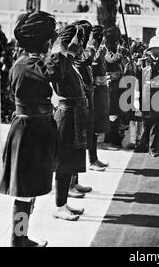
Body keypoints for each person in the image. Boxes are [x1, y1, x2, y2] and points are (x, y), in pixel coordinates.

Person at [0, 11, 57, 247]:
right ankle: (18, 239)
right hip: (28, 133)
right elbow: (54, 73)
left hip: (35, 131)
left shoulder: (30, 63)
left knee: (29, 190)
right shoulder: (27, 65)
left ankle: (21, 237)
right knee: (24, 194)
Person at [51, 24, 89, 221]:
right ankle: (58, 206)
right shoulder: (60, 58)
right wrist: (70, 54)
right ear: (70, 41)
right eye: (78, 41)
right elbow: (59, 79)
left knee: (70, 162)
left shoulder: (69, 60)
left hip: (75, 116)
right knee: (64, 164)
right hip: (67, 116)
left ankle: (63, 203)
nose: (81, 45)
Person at [69, 20, 95, 197]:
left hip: (81, 106)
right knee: (70, 149)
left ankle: (74, 181)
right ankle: (68, 186)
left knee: (78, 147)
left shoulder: (75, 57)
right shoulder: (70, 58)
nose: (83, 41)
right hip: (71, 110)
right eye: (82, 37)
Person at [135, 36, 159, 157]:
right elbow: (137, 80)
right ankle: (143, 143)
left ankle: (153, 148)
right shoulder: (143, 62)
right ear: (151, 49)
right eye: (156, 48)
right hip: (146, 96)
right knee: (146, 122)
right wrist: (136, 96)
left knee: (156, 123)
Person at [89, 25, 111, 169]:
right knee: (93, 128)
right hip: (95, 93)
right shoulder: (91, 50)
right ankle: (92, 160)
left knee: (96, 129)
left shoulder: (99, 49)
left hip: (102, 91)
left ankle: (94, 158)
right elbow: (90, 66)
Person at [104, 26, 124, 149]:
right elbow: (113, 60)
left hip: (117, 83)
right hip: (111, 84)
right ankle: (112, 139)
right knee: (113, 112)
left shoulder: (112, 48)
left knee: (117, 111)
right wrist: (120, 51)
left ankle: (112, 136)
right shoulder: (107, 50)